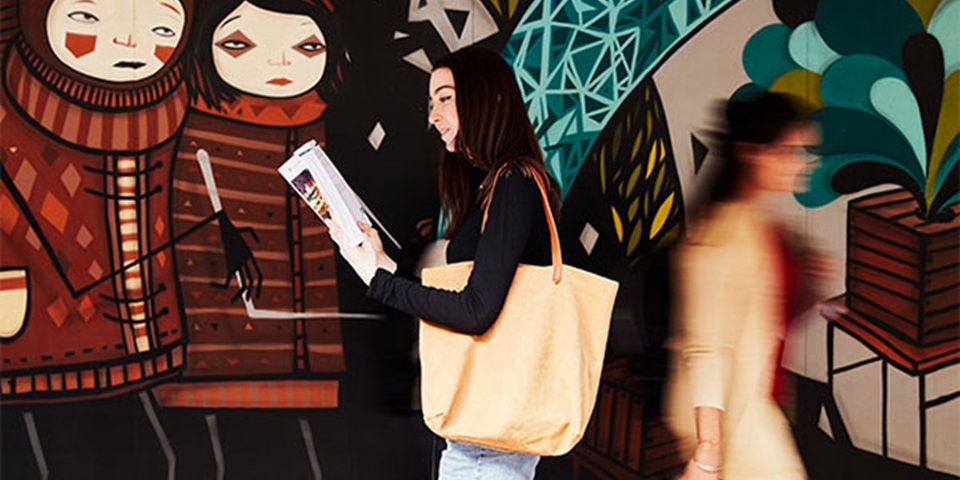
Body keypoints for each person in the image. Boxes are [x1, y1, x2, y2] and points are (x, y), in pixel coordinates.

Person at [329, 45, 561, 480]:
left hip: (487, 439)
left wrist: (382, 281)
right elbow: (461, 300)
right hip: (481, 430)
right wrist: (381, 265)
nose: (433, 115)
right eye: (431, 102)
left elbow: (476, 311)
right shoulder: (494, 186)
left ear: (489, 98)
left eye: (446, 97)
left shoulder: (514, 183)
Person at [663, 92, 816, 479]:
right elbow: (705, 348)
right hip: (736, 425)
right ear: (751, 153)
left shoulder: (758, 225)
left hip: (754, 410)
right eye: (788, 151)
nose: (800, 162)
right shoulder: (722, 236)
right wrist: (708, 454)